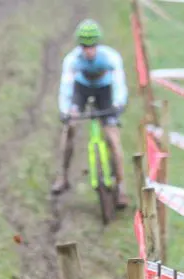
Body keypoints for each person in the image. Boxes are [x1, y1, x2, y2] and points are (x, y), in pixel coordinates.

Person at [53, 19, 129, 208]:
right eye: (85, 46)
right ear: (79, 46)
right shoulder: (71, 60)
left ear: (98, 44)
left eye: (92, 46)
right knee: (69, 128)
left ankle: (121, 187)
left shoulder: (111, 57)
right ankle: (62, 176)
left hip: (105, 91)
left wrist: (119, 104)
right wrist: (65, 111)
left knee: (113, 137)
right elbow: (66, 87)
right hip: (82, 89)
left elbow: (119, 82)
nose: (89, 51)